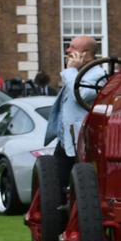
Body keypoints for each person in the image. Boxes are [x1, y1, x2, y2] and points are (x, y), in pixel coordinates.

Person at [49, 36, 106, 182]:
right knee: (56, 185)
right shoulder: (78, 73)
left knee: (79, 183)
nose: (68, 50)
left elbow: (80, 94)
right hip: (66, 141)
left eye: (73, 47)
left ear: (85, 53)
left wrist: (71, 70)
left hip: (83, 142)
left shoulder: (98, 75)